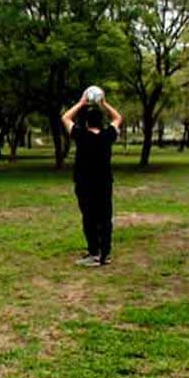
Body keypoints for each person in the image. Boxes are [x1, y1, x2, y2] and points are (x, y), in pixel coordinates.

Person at [62, 91, 123, 267]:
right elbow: (118, 117)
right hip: (104, 183)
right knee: (105, 218)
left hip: (85, 184)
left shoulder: (81, 136)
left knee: (89, 217)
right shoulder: (107, 136)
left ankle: (94, 254)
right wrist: (104, 103)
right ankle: (105, 254)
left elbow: (65, 117)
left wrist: (81, 103)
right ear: (101, 122)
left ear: (87, 123)